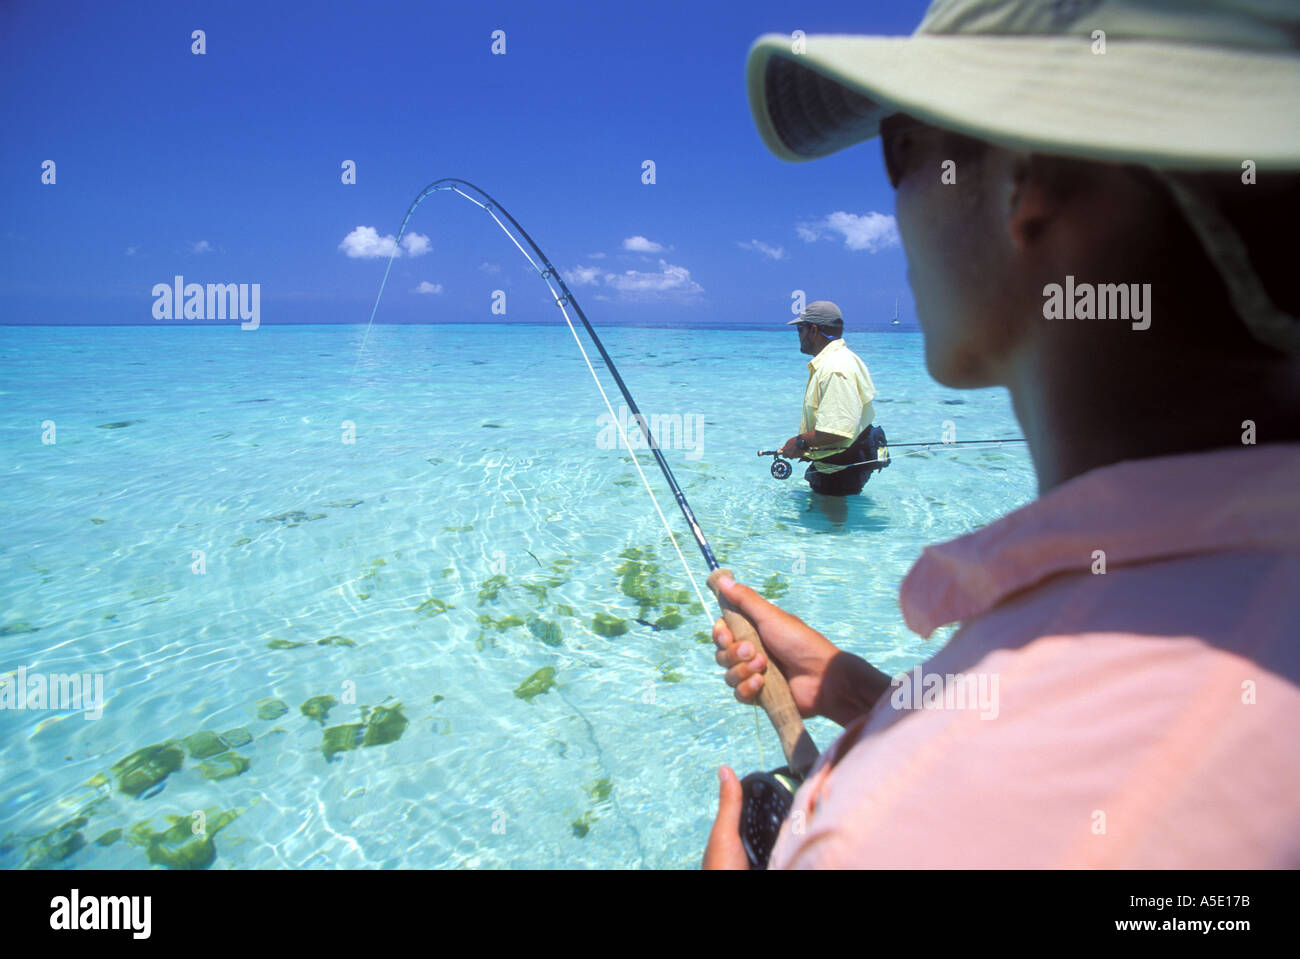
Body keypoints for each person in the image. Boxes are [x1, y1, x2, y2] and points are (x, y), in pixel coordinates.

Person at [704, 0, 1300, 868]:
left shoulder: (878, 834)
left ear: (1027, 183)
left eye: (902, 147)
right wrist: (875, 698)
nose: (895, 205)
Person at [780, 301, 883, 496]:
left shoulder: (835, 369)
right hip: (841, 464)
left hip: (840, 471)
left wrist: (799, 442)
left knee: (831, 526)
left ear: (814, 330)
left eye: (800, 329)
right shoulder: (845, 358)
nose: (799, 336)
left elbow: (837, 431)